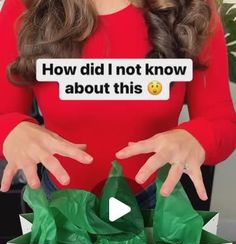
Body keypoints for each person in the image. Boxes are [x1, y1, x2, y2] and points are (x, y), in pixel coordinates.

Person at [0, 0, 235, 204]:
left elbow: (221, 121)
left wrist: (197, 138)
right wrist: (12, 132)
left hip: (156, 202)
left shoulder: (193, 8)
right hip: (61, 205)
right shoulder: (26, 6)